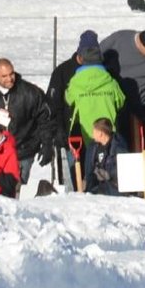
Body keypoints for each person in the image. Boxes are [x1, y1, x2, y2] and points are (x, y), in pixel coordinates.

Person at [0, 58, 51, 186]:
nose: (9, 79)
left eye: (11, 74)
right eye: (4, 76)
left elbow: (45, 118)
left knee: (14, 189)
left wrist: (47, 143)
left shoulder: (30, 92)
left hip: (22, 151)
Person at [98, 28, 145, 149]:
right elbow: (96, 57)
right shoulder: (119, 40)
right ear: (141, 44)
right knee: (122, 145)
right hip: (120, 105)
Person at [46, 29, 98, 187]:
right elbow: (53, 104)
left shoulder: (99, 70)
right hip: (70, 132)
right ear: (80, 54)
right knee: (72, 179)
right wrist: (59, 130)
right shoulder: (62, 72)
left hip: (94, 132)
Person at [64, 40, 128, 148]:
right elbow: (121, 102)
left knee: (89, 161)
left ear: (81, 60)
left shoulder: (75, 82)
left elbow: (68, 99)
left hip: (86, 134)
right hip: (108, 133)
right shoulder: (111, 82)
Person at [84, 118, 124, 196]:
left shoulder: (118, 147)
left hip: (114, 192)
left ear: (101, 133)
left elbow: (122, 173)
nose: (92, 134)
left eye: (94, 131)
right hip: (97, 190)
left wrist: (107, 173)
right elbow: (89, 172)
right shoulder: (93, 147)